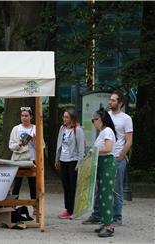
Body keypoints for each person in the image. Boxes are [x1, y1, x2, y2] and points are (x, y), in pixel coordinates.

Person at [83, 91, 133, 226]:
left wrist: (121, 155)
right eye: (110, 100)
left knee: (116, 190)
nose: (110, 102)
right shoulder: (106, 116)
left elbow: (129, 140)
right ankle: (97, 214)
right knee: (100, 189)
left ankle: (116, 217)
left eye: (113, 100)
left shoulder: (126, 118)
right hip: (103, 158)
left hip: (116, 157)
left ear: (120, 103)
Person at [89, 108, 117, 237]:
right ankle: (105, 221)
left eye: (95, 119)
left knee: (106, 195)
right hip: (102, 165)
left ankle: (109, 226)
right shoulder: (103, 132)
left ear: (102, 119)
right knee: (101, 195)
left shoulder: (107, 131)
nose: (93, 121)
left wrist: (94, 150)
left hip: (107, 164)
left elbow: (108, 148)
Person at [55, 107, 85, 220]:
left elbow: (81, 148)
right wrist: (57, 159)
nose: (64, 119)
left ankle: (74, 210)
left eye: (67, 117)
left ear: (72, 118)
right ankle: (67, 209)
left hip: (73, 161)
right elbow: (59, 144)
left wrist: (79, 162)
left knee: (73, 186)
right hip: (63, 159)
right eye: (64, 117)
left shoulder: (78, 130)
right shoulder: (62, 128)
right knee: (66, 186)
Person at [9, 106, 37, 214]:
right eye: (22, 116)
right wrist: (19, 144)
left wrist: (35, 142)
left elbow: (42, 145)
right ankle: (13, 205)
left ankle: (35, 207)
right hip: (18, 159)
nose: (24, 118)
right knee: (17, 184)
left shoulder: (36, 128)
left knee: (33, 184)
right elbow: (10, 145)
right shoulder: (16, 129)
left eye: (26, 116)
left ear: (31, 117)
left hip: (32, 159)